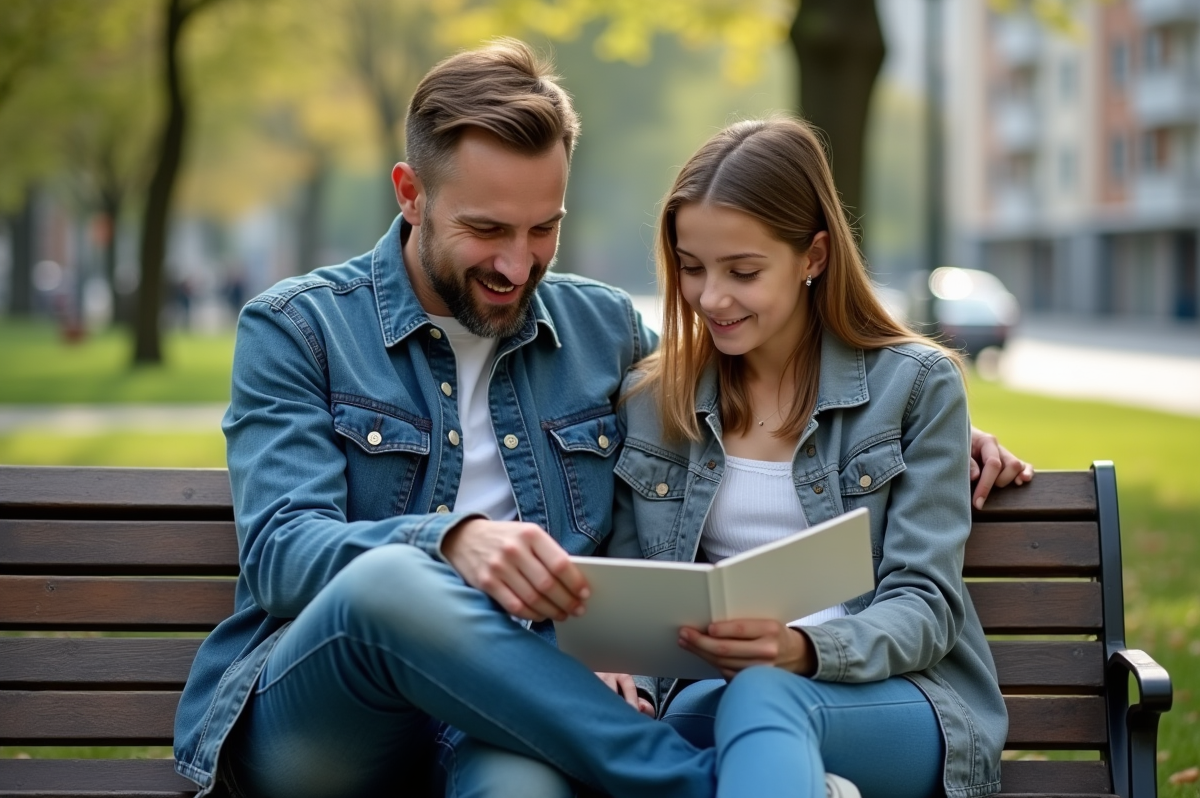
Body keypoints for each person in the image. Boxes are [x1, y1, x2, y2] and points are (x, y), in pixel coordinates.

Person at [173, 40, 1027, 798]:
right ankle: (690, 784)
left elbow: (756, 373)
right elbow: (283, 551)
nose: (517, 264)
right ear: (411, 194)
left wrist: (950, 442)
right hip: (339, 718)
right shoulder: (301, 328)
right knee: (394, 581)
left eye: (544, 228)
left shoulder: (602, 331)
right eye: (486, 229)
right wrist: (451, 540)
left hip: (529, 713)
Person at [607, 117, 1016, 798]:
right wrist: (629, 678)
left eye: (743, 271)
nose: (711, 297)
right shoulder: (654, 399)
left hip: (895, 700)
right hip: (711, 697)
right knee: (667, 737)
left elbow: (926, 605)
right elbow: (636, 598)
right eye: (691, 268)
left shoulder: (914, 386)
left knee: (764, 695)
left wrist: (800, 651)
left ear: (814, 257)